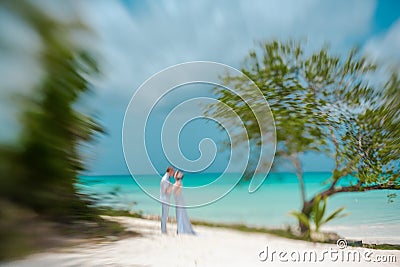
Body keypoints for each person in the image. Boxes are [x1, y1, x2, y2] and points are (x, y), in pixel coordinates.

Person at [173, 170, 195, 235]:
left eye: (177, 174)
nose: (175, 174)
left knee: (180, 213)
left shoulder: (179, 182)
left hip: (179, 200)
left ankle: (181, 229)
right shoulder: (177, 182)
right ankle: (179, 228)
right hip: (177, 200)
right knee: (179, 214)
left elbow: (178, 192)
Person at [160, 166, 174, 234]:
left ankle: (164, 229)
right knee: (164, 214)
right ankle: (163, 230)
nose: (173, 173)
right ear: (169, 171)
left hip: (165, 198)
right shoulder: (165, 179)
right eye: (172, 172)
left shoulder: (167, 178)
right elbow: (166, 191)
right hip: (165, 199)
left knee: (165, 214)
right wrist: (173, 187)